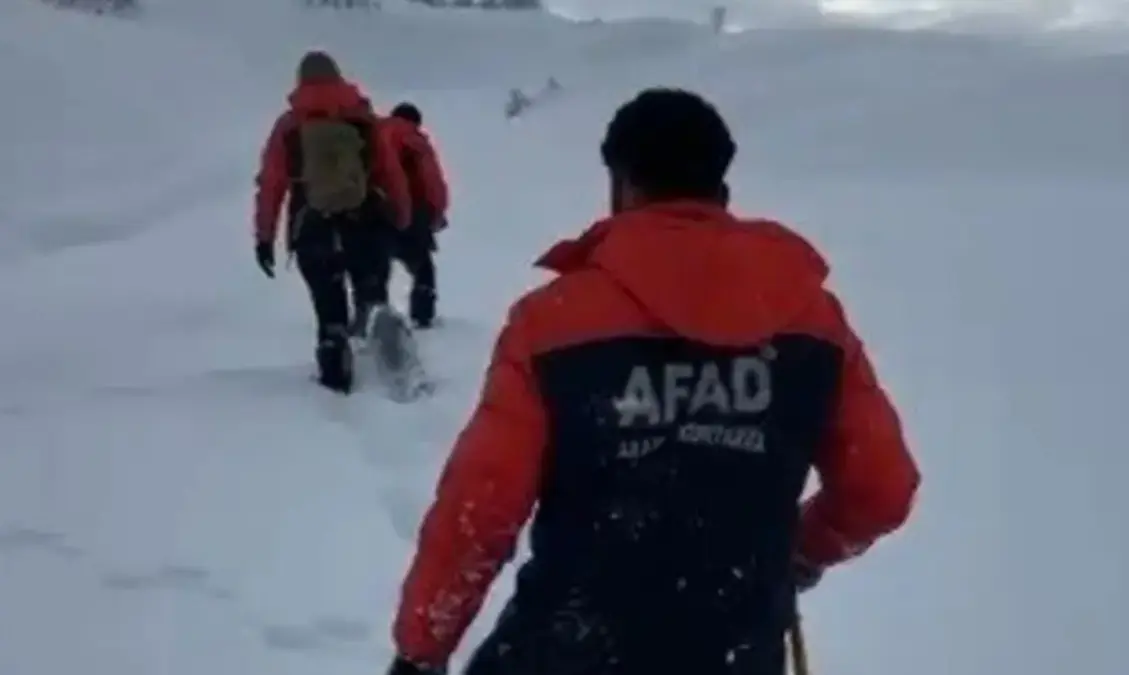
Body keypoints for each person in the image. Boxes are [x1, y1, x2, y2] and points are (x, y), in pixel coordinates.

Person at [385, 88, 921, 675]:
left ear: (623, 185)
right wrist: (803, 550)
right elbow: (882, 487)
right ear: (722, 188)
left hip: (572, 647)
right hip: (735, 649)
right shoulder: (814, 319)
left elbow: (480, 507)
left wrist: (421, 649)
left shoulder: (552, 321)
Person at [253, 51, 411, 393]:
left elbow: (271, 183)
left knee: (329, 306)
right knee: (372, 292)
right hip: (365, 218)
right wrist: (401, 213)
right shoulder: (361, 116)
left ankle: (335, 373)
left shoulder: (289, 125)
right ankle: (392, 359)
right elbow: (388, 169)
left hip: (312, 226)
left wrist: (264, 237)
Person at [382, 101, 450, 328]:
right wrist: (437, 213)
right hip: (412, 212)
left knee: (373, 270)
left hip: (373, 211)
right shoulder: (414, 140)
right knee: (423, 268)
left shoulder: (372, 135)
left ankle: (372, 315)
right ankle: (422, 316)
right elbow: (432, 181)